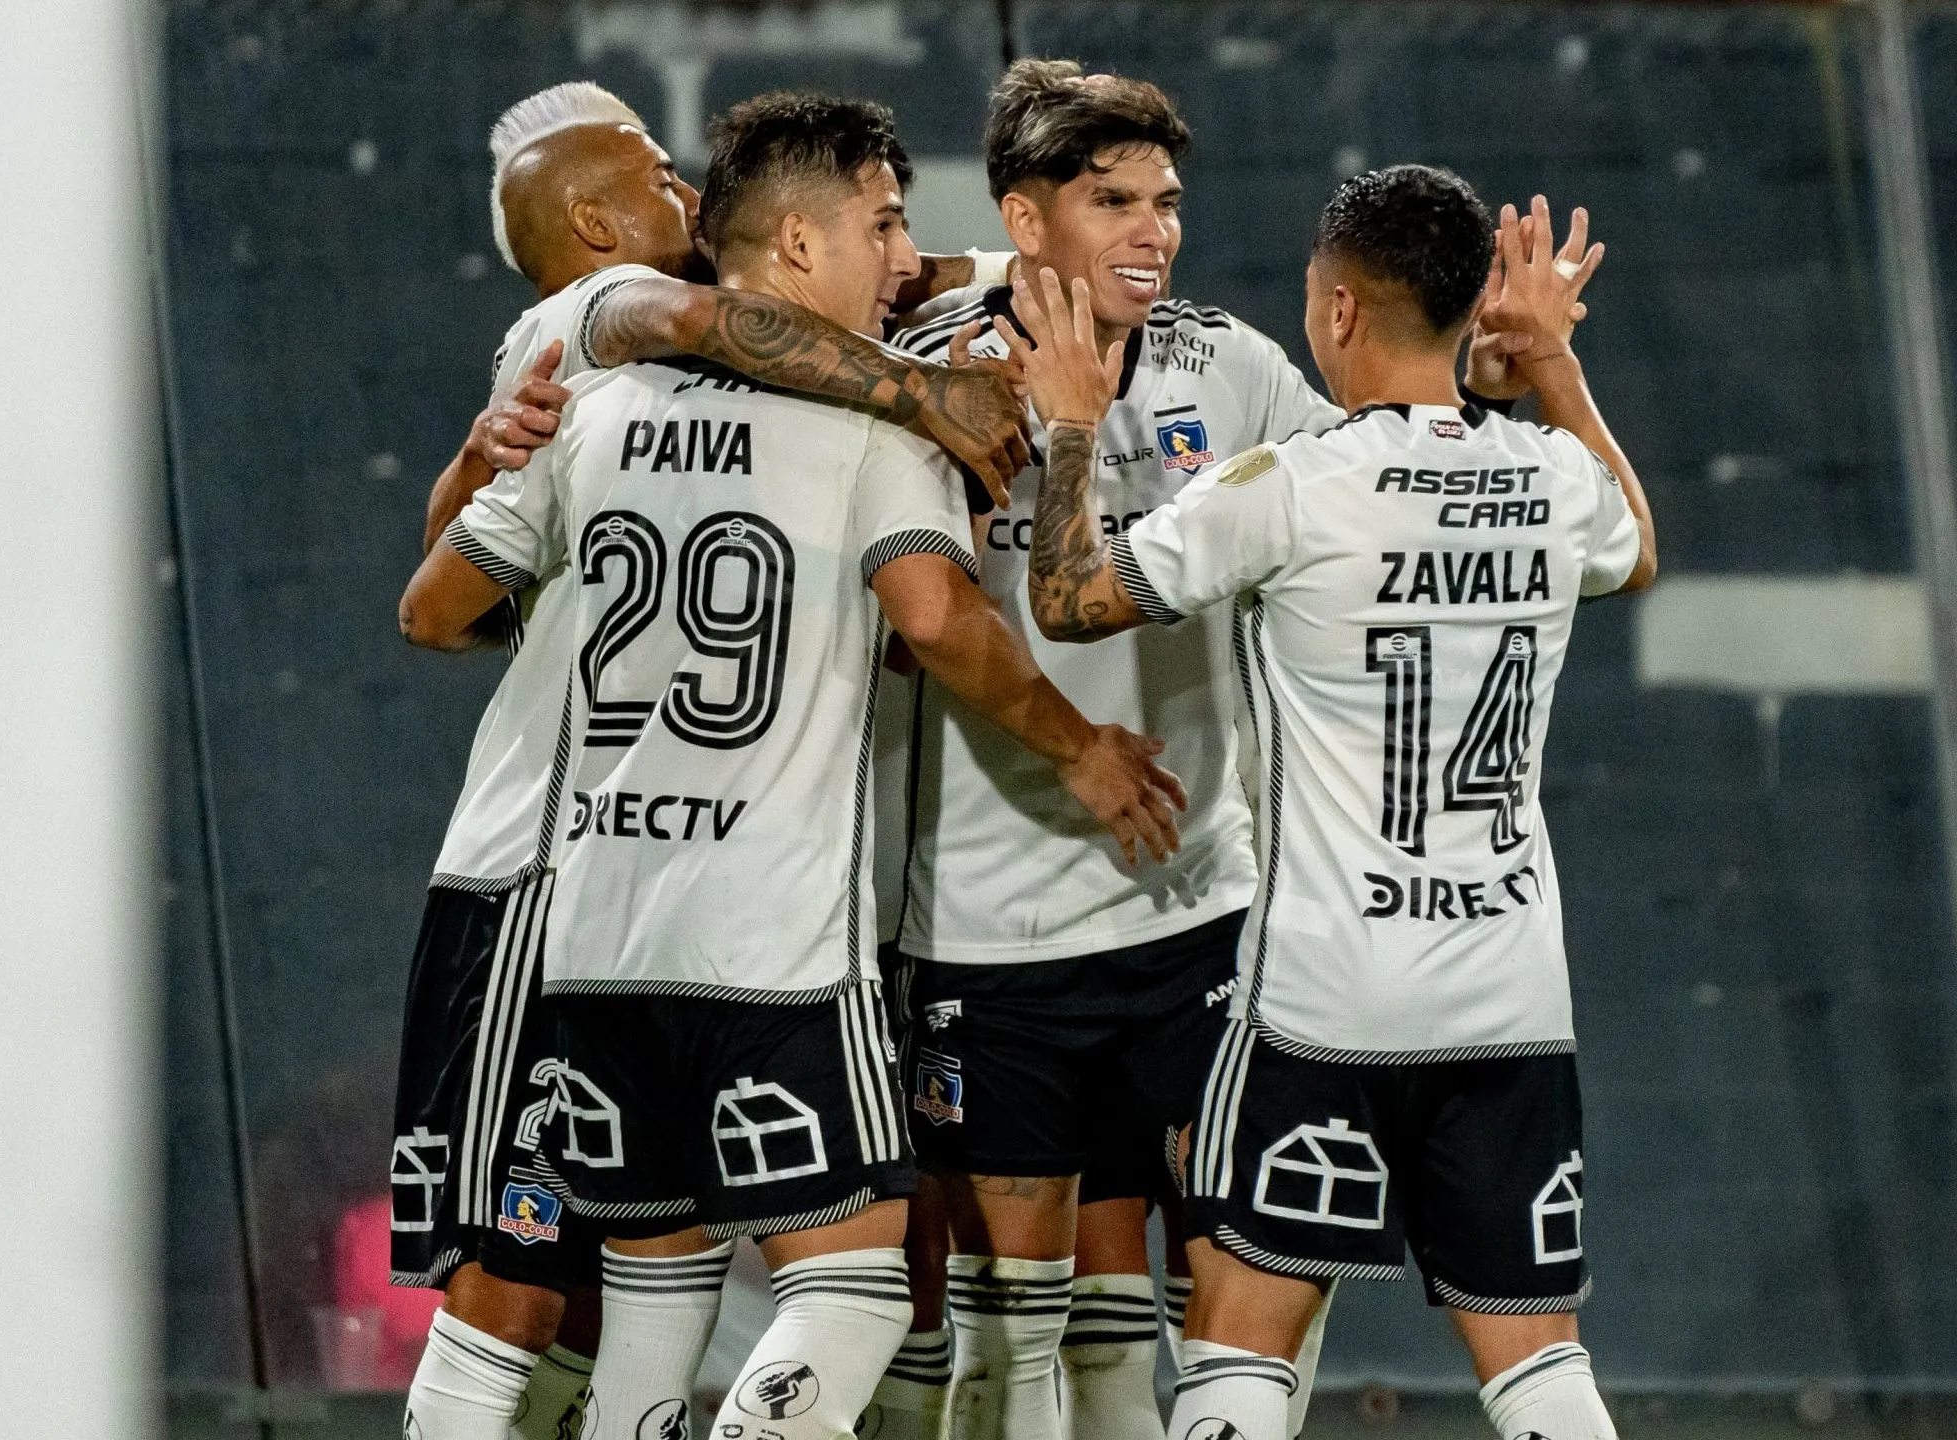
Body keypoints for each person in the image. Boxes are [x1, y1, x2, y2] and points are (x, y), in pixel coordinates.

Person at [402, 91, 1186, 1440]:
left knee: (649, 1292)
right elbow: (939, 621)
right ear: (803, 247)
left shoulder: (589, 409)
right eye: (882, 223)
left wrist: (490, 458)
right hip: (754, 936)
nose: (904, 252)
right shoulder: (848, 417)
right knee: (853, 1284)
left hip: (593, 928)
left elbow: (433, 607)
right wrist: (1084, 746)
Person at [881, 61, 1598, 1440]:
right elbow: (934, 620)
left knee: (1241, 1303)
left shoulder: (1237, 365)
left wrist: (1472, 383)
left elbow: (1374, 499)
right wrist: (1079, 746)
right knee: (1006, 1338)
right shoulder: (938, 376)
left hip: (1206, 914)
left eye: (1167, 201)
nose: (1154, 230)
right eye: (1113, 203)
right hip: (991, 917)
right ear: (1027, 222)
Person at [1017, 168, 1654, 1440]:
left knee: (1242, 1344)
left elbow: (1067, 601)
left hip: (1323, 994)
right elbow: (1634, 548)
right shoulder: (1549, 477)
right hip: (1508, 992)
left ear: (1343, 312)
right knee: (1537, 1364)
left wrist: (1076, 423)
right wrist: (1555, 373)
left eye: (1315, 298)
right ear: (1471, 308)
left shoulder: (1289, 485)